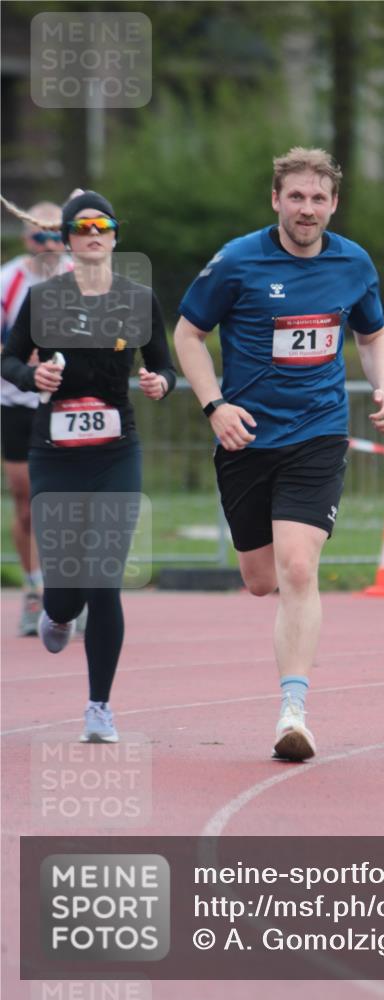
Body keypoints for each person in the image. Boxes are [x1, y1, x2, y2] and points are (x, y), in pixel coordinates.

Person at [175, 146, 384, 762]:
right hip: (245, 437)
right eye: (295, 197)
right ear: (276, 200)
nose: (307, 209)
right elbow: (187, 334)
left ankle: (293, 711)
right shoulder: (238, 260)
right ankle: (288, 680)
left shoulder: (354, 262)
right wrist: (215, 406)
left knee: (300, 568)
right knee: (260, 579)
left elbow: (372, 334)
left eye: (318, 198)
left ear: (334, 204)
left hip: (318, 432)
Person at [1, 190, 176, 742]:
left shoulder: (139, 299)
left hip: (114, 450)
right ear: (71, 241)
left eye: (103, 225)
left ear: (116, 237)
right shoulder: (44, 297)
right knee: (67, 589)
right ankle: (54, 609)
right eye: (82, 227)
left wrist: (159, 383)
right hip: (54, 452)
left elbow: (164, 366)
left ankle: (99, 707)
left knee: (104, 580)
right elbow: (8, 356)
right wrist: (33, 379)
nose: (93, 233)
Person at [1, 201, 70, 635]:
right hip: (15, 401)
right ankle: (33, 588)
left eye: (54, 234)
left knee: (65, 500)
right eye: (38, 234)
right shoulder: (8, 280)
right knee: (27, 502)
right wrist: (20, 359)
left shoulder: (78, 278)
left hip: (64, 402)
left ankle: (67, 594)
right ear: (27, 236)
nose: (47, 243)